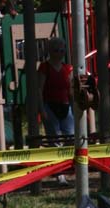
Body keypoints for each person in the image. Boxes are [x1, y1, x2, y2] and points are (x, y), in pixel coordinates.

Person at [38, 35, 74, 184]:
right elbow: (39, 90)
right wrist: (42, 110)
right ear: (50, 51)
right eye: (57, 50)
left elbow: (71, 90)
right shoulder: (44, 67)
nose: (60, 52)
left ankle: (67, 167)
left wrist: (75, 108)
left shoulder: (68, 68)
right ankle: (59, 174)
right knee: (55, 140)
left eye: (62, 49)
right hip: (50, 106)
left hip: (66, 107)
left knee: (70, 138)